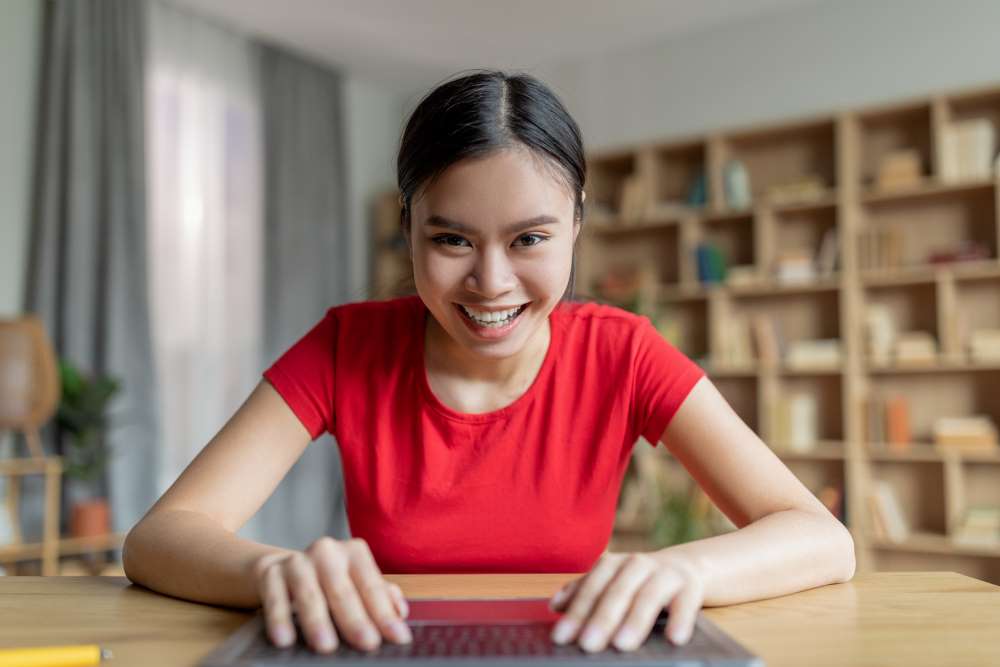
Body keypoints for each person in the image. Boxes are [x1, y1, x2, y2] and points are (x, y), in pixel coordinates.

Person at [123, 70, 855, 656]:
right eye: (451, 241)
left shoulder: (622, 351)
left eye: (530, 239)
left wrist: (681, 569)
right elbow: (160, 535)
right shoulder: (347, 345)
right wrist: (272, 569)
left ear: (576, 220)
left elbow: (821, 537)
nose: (492, 283)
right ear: (407, 227)